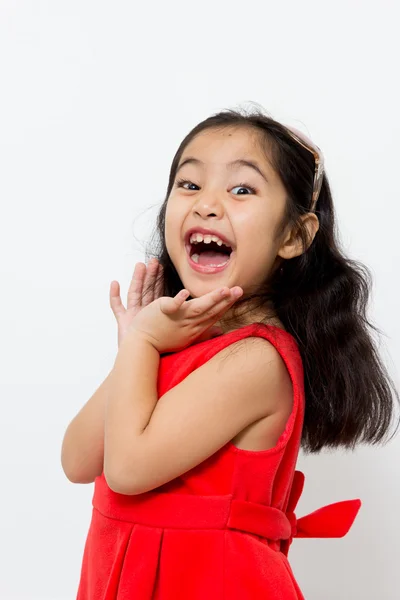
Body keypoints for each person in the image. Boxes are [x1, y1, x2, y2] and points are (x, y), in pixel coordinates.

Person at [61, 106, 399, 599]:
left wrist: (143, 344)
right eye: (189, 184)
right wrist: (137, 346)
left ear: (293, 235)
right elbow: (77, 460)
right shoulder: (176, 341)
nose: (206, 205)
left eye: (242, 189)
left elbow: (128, 470)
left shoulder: (257, 360)